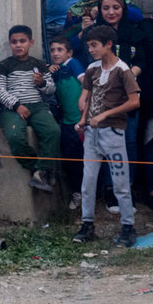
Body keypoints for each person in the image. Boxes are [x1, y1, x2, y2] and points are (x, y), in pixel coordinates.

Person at [74, 25, 140, 247]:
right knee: (88, 181)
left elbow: (134, 101)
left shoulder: (123, 70)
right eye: (89, 45)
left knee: (120, 183)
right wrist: (83, 119)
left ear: (108, 44)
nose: (91, 49)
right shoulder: (92, 69)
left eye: (94, 45)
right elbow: (88, 97)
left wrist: (105, 115)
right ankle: (87, 224)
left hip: (113, 131)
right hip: (92, 132)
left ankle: (128, 226)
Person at [0, 25, 60, 192]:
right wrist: (17, 105)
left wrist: (42, 83)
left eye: (22, 41)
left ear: (31, 42)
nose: (18, 45)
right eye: (14, 42)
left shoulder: (39, 64)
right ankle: (38, 169)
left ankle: (41, 171)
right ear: (10, 44)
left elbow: (51, 89)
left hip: (38, 106)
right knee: (14, 135)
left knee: (53, 131)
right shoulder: (4, 65)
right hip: (13, 108)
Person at [47, 35, 85, 211]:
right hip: (68, 122)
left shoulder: (73, 64)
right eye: (53, 50)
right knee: (72, 160)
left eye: (60, 50)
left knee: (85, 159)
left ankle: (90, 194)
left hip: (82, 120)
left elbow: (86, 83)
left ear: (69, 52)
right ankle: (78, 193)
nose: (55, 53)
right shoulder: (56, 71)